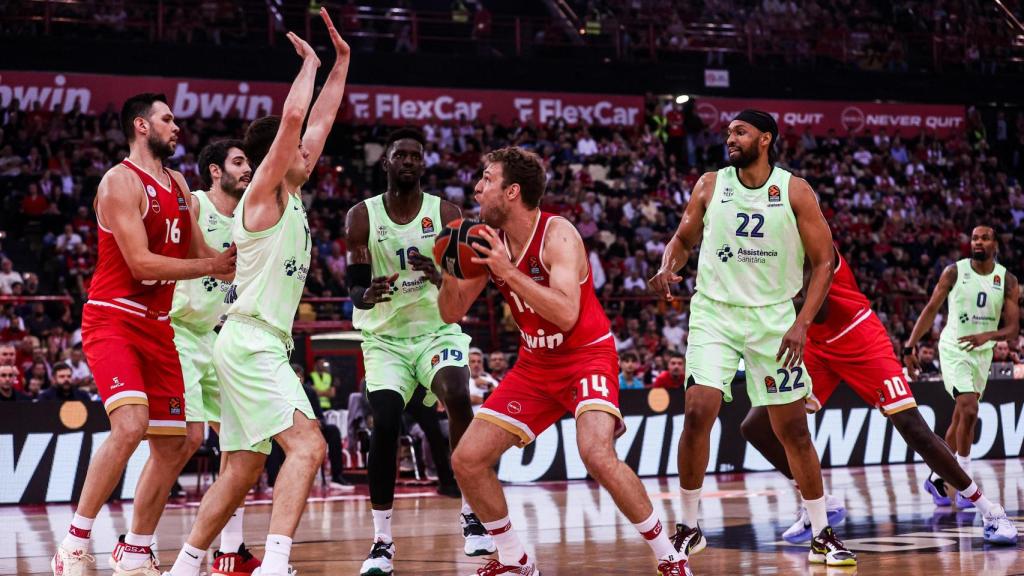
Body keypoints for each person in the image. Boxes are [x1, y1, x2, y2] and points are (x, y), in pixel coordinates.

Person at [441, 147, 688, 576]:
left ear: (512, 191)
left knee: (595, 453)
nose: (477, 188)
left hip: (586, 356)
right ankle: (515, 558)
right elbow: (450, 312)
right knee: (466, 459)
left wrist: (508, 270)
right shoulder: (487, 240)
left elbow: (566, 313)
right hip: (535, 365)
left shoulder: (559, 234)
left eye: (487, 180)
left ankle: (670, 555)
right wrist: (446, 267)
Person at [162, 13, 349, 576]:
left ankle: (187, 564)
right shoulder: (264, 195)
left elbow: (317, 121)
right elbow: (296, 116)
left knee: (244, 465)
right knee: (309, 447)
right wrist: (309, 65)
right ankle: (274, 564)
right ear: (279, 154)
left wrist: (341, 65)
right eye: (298, 149)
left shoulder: (291, 189)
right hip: (252, 341)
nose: (310, 154)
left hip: (245, 342)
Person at [648, 109, 855, 566]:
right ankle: (689, 526)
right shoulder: (709, 184)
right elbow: (682, 240)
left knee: (793, 430)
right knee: (698, 410)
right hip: (714, 312)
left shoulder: (795, 190)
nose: (730, 138)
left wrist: (801, 322)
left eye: (739, 132)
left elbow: (825, 263)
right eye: (727, 133)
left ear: (765, 139)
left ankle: (822, 531)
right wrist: (668, 266)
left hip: (774, 320)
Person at [51, 92, 236, 576]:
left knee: (180, 442)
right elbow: (141, 263)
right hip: (113, 316)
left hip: (159, 327)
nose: (177, 127)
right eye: (167, 119)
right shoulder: (118, 182)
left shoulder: (178, 184)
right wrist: (212, 263)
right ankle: (74, 540)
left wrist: (241, 253)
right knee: (130, 425)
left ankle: (134, 549)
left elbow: (201, 250)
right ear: (141, 126)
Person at [741, 247, 1017, 545]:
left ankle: (990, 510)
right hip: (815, 346)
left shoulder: (811, 239)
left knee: (913, 428)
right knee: (756, 427)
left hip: (858, 335)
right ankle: (819, 501)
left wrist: (757, 302)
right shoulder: (766, 246)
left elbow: (818, 311)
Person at [346, 126, 493, 576]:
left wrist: (440, 276)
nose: (409, 161)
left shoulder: (447, 213)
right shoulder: (362, 217)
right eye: (400, 155)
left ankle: (472, 515)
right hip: (385, 338)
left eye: (416, 155)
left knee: (456, 393)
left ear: (422, 163)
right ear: (386, 162)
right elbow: (354, 289)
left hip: (436, 331)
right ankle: (382, 541)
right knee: (386, 423)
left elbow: (468, 281)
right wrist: (368, 293)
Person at [164, 139, 262, 574]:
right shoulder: (197, 205)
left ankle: (230, 548)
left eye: (249, 163)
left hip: (217, 335)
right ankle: (137, 541)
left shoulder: (248, 218)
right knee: (187, 438)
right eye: (239, 162)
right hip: (177, 329)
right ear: (215, 171)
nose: (248, 169)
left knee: (241, 441)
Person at [904, 226, 1020, 512]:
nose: (978, 242)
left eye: (984, 238)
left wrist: (987, 337)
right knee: (969, 409)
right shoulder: (954, 272)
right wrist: (910, 345)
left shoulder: (1007, 279)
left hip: (983, 353)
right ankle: (967, 483)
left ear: (995, 245)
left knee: (960, 419)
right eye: (974, 238)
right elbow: (931, 308)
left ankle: (936, 477)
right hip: (954, 349)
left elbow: (1013, 328)